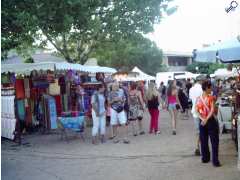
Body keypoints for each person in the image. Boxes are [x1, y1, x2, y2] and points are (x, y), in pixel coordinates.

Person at [196, 80, 221, 167]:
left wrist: (202, 119)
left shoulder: (198, 98)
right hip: (210, 121)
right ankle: (215, 161)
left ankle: (205, 158)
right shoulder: (211, 98)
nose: (211, 89)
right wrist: (206, 119)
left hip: (202, 122)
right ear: (207, 88)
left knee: (204, 141)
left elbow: (196, 111)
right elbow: (212, 110)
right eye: (210, 88)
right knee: (214, 141)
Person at [189, 76, 203, 156]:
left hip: (195, 111)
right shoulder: (202, 88)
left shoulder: (191, 89)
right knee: (203, 131)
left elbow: (191, 99)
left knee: (198, 131)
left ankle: (197, 147)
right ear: (201, 81)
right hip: (202, 112)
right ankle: (201, 147)